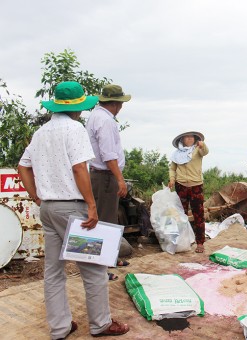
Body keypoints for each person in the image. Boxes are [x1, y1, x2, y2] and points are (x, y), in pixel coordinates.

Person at [17, 81, 129, 338]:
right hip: (72, 210)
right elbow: (80, 169)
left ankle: (60, 327)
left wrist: (36, 196)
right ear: (78, 107)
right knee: (93, 269)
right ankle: (101, 324)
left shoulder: (41, 132)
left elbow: (23, 166)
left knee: (54, 271)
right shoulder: (74, 129)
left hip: (48, 209)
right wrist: (91, 205)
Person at [86, 84, 133, 279]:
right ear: (116, 104)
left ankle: (109, 258)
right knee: (103, 221)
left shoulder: (97, 116)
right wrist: (120, 180)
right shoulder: (105, 121)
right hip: (105, 176)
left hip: (102, 175)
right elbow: (108, 155)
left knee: (109, 219)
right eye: (120, 103)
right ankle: (100, 269)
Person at [168, 131, 209, 253]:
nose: (190, 138)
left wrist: (203, 145)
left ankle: (200, 243)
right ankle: (180, 242)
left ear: (195, 139)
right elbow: (172, 168)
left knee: (198, 214)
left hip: (196, 185)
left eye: (192, 137)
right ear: (182, 140)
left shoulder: (198, 150)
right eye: (187, 137)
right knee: (180, 215)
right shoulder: (176, 154)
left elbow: (205, 151)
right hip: (180, 186)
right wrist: (171, 179)